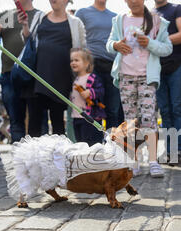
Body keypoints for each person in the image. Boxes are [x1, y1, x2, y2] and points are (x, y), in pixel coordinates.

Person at [106, 0, 173, 177]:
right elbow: (109, 44)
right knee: (129, 121)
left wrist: (149, 42)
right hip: (125, 77)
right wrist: (115, 45)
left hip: (147, 78)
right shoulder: (119, 20)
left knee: (149, 119)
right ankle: (133, 161)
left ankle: (153, 161)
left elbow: (167, 48)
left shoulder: (158, 21)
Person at [20, 0, 86, 138]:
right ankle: (33, 158)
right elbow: (29, 41)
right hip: (38, 77)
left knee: (58, 123)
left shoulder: (75, 22)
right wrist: (25, 26)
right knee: (34, 123)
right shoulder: (40, 17)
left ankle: (58, 158)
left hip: (61, 79)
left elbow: (82, 51)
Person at [0, 0, 44, 143]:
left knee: (38, 120)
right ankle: (19, 159)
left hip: (34, 75)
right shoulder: (5, 15)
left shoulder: (41, 16)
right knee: (15, 120)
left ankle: (38, 158)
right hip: (9, 73)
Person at [76, 0, 124, 130]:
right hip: (92, 65)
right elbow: (75, 37)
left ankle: (112, 144)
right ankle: (92, 144)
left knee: (113, 109)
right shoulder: (83, 13)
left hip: (112, 66)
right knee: (92, 107)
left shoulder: (115, 16)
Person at [154, 0, 181, 163]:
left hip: (177, 65)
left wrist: (159, 41)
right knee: (165, 111)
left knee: (178, 108)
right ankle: (170, 151)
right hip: (157, 68)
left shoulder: (177, 8)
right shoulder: (149, 13)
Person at [70, 48, 105, 146]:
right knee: (80, 142)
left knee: (91, 143)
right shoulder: (76, 79)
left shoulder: (92, 78)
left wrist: (90, 92)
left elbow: (101, 91)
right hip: (76, 117)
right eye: (72, 60)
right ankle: (83, 159)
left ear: (86, 63)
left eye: (76, 60)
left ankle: (93, 159)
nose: (73, 62)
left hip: (90, 118)